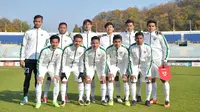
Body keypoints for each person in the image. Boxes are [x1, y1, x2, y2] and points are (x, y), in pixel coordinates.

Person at [20, 15, 50, 105]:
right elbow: (23, 46)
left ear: (42, 22)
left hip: (39, 61)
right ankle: (25, 97)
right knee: (27, 78)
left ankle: (38, 98)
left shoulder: (45, 33)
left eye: (39, 21)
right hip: (28, 60)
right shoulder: (28, 32)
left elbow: (47, 48)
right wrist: (22, 59)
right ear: (33, 22)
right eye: (36, 21)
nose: (37, 23)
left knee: (38, 79)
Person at [42, 22, 72, 104]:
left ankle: (65, 95)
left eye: (64, 28)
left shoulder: (69, 39)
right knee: (49, 79)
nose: (62, 29)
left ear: (66, 29)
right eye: (61, 27)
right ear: (58, 28)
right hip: (53, 62)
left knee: (64, 79)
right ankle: (45, 96)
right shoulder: (53, 37)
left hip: (64, 62)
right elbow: (48, 48)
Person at [144, 20, 170, 107]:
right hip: (149, 63)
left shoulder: (160, 35)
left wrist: (165, 60)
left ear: (155, 27)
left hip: (160, 62)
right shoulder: (144, 35)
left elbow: (166, 48)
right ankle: (154, 99)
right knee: (152, 80)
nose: (151, 27)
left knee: (164, 80)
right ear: (147, 27)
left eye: (152, 26)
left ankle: (167, 100)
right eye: (149, 26)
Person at [35, 35, 63, 109]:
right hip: (43, 67)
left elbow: (58, 63)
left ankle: (54, 101)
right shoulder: (44, 50)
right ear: (50, 42)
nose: (54, 44)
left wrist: (57, 74)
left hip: (52, 67)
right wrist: (40, 75)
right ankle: (38, 102)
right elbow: (39, 63)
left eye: (56, 42)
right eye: (53, 42)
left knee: (56, 82)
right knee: (39, 82)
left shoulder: (60, 51)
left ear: (58, 42)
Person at [100, 22, 123, 103]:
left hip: (117, 62)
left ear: (113, 28)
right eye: (107, 27)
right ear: (105, 29)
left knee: (116, 79)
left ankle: (118, 96)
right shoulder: (102, 38)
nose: (109, 28)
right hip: (106, 61)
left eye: (110, 27)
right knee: (107, 79)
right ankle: (107, 96)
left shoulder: (117, 37)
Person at [60, 34, 86, 106]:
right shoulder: (67, 48)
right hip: (67, 66)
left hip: (77, 67)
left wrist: (81, 71)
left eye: (79, 41)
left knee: (80, 81)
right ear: (73, 41)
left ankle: (80, 99)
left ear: (81, 41)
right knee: (64, 81)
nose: (77, 43)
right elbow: (63, 60)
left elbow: (82, 61)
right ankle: (63, 100)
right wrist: (63, 71)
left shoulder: (83, 49)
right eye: (76, 41)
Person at [129, 32, 153, 106]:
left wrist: (148, 73)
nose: (139, 40)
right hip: (135, 65)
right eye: (137, 38)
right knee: (133, 80)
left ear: (143, 39)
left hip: (145, 65)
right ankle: (133, 99)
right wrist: (132, 73)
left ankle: (147, 100)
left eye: (140, 38)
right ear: (135, 39)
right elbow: (130, 61)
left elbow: (150, 60)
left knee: (148, 80)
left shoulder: (148, 47)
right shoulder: (131, 47)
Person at [106, 35, 130, 106]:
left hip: (122, 65)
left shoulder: (125, 49)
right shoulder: (109, 49)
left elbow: (126, 61)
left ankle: (126, 99)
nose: (117, 43)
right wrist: (110, 71)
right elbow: (107, 61)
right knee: (110, 79)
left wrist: (125, 72)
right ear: (113, 42)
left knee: (125, 80)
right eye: (115, 42)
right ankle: (111, 99)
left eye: (119, 42)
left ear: (121, 42)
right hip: (112, 66)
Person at [83, 36, 107, 106]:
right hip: (90, 67)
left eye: (96, 43)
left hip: (99, 68)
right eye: (93, 43)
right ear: (91, 43)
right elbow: (86, 63)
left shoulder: (103, 51)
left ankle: (103, 99)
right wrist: (87, 74)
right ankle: (88, 99)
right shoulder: (87, 51)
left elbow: (104, 63)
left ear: (99, 43)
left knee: (103, 81)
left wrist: (103, 74)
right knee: (88, 81)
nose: (95, 45)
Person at [81, 19, 98, 103]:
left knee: (93, 79)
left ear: (91, 25)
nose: (87, 26)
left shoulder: (95, 35)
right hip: (84, 60)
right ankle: (85, 94)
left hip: (94, 60)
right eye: (85, 24)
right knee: (85, 78)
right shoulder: (80, 35)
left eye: (88, 24)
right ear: (83, 26)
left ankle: (92, 95)